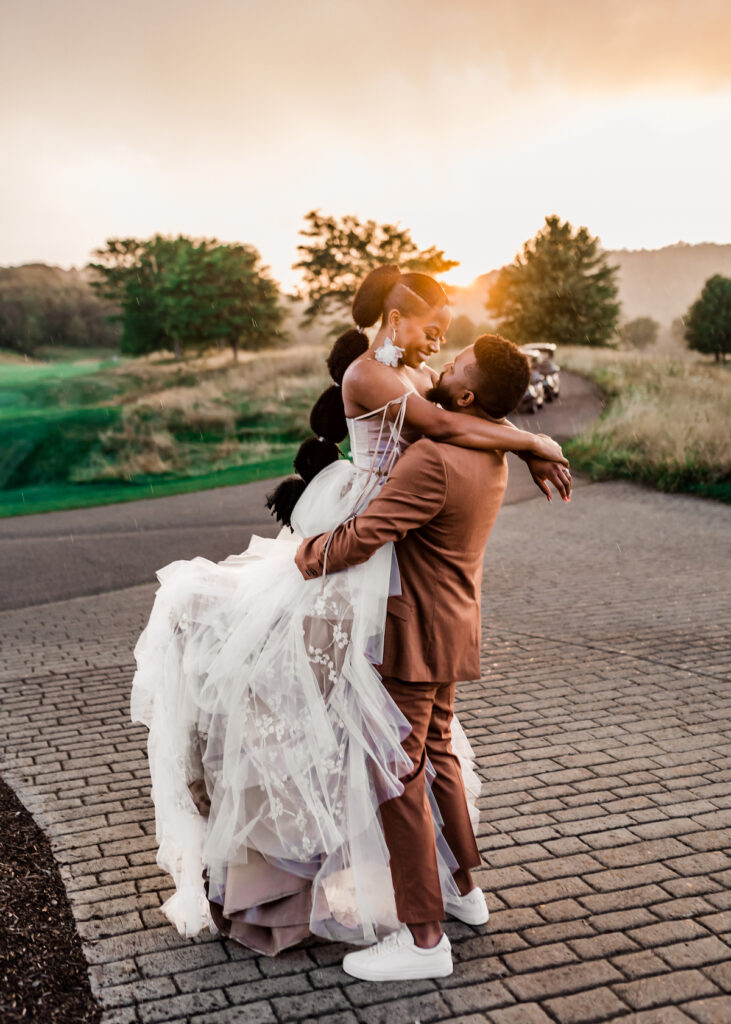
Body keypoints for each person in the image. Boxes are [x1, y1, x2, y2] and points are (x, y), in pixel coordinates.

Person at [130, 265, 568, 954]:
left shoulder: (425, 411)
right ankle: (447, 890)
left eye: (449, 344)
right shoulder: (380, 384)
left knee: (391, 752)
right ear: (397, 318)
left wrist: (525, 436)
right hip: (391, 567)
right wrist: (533, 441)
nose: (439, 342)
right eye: (433, 328)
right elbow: (452, 419)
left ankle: (427, 918)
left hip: (385, 569)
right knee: (384, 734)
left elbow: (452, 423)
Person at [295, 335, 571, 980]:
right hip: (454, 627)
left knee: (395, 773)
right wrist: (533, 444)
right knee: (436, 754)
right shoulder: (492, 453)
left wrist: (303, 556)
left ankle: (423, 941)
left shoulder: (436, 459)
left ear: (466, 395)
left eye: (454, 367)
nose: (440, 368)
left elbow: (365, 536)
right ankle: (463, 892)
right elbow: (487, 428)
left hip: (412, 635)